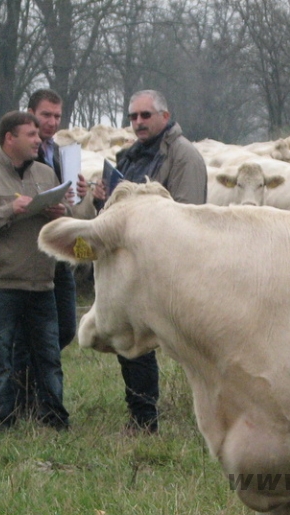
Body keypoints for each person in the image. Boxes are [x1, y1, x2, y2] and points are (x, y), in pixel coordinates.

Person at [93, 89, 208, 434]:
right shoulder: (129, 156)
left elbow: (188, 215)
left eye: (145, 116)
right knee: (132, 341)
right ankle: (142, 415)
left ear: (165, 116)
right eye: (133, 117)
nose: (138, 123)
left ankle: (214, 412)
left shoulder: (184, 156)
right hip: (132, 266)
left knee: (196, 346)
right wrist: (103, 202)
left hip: (170, 268)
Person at [0, 111, 72, 430]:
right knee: (1, 356)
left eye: (38, 135)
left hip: (42, 284)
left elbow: (64, 223)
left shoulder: (46, 174)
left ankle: (54, 417)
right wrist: (9, 210)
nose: (39, 140)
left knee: (49, 357)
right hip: (1, 285)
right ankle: (6, 417)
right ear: (9, 139)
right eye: (31, 135)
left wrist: (59, 212)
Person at [11, 88, 91, 412]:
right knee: (29, 330)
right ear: (30, 112)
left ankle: (10, 379)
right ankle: (20, 390)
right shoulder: (18, 154)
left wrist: (83, 194)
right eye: (46, 115)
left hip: (60, 250)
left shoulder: (61, 154)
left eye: (57, 116)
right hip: (30, 253)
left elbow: (71, 202)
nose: (52, 122)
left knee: (66, 328)